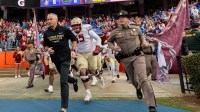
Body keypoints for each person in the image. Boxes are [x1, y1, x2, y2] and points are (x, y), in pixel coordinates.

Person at [107, 10, 157, 112]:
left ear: (128, 19)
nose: (121, 19)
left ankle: (151, 105)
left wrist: (145, 43)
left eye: (124, 17)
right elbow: (109, 42)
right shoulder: (115, 32)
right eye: (119, 18)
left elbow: (142, 38)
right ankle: (137, 88)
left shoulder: (136, 28)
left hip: (138, 56)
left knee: (143, 78)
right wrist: (113, 47)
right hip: (125, 59)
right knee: (133, 80)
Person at [43, 13, 78, 112]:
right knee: (64, 77)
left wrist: (73, 50)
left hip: (65, 58)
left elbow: (74, 39)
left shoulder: (65, 30)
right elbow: (45, 46)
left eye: (50, 19)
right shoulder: (46, 33)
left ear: (56, 20)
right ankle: (74, 80)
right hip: (55, 59)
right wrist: (48, 49)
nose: (48, 21)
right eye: (47, 19)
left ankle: (64, 108)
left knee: (63, 81)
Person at [70, 17, 104, 102]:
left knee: (93, 71)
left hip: (91, 53)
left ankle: (100, 77)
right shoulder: (71, 32)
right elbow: (71, 44)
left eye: (77, 25)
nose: (76, 27)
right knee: (82, 72)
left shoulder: (87, 29)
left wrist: (98, 47)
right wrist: (72, 51)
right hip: (81, 54)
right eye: (74, 26)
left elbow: (98, 38)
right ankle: (88, 92)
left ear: (81, 24)